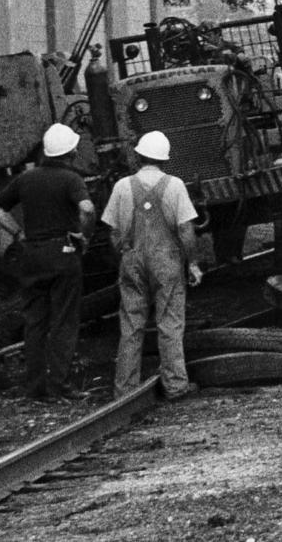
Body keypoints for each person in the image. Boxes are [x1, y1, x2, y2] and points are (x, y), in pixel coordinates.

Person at [0, 123, 96, 400]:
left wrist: (17, 232)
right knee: (64, 321)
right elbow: (87, 209)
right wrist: (83, 235)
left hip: (31, 255)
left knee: (35, 322)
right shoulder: (71, 179)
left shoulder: (26, 179)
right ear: (71, 152)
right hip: (63, 253)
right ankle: (58, 385)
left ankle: (34, 387)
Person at [101, 130, 204, 401]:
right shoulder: (175, 185)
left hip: (131, 260)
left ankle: (125, 391)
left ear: (138, 156)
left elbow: (112, 233)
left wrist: (123, 259)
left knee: (131, 325)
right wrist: (192, 263)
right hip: (166, 262)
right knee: (170, 323)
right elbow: (185, 229)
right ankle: (176, 386)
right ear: (164, 160)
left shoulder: (122, 187)